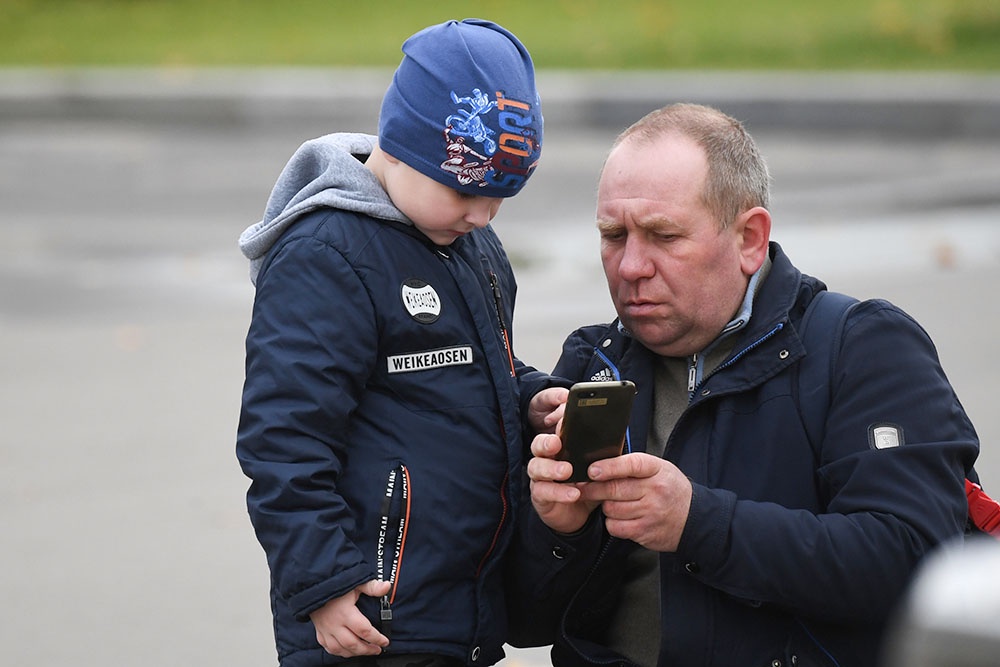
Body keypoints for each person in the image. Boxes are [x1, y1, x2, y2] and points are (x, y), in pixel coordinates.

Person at [506, 103, 980, 667]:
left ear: (750, 238)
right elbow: (523, 622)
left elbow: (919, 568)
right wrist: (560, 534)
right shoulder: (593, 363)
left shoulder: (863, 346)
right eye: (613, 235)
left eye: (663, 235)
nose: (631, 266)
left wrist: (699, 524)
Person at [236, 19, 556, 667]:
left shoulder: (468, 242)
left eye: (500, 199)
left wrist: (533, 396)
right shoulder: (326, 256)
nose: (482, 214)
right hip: (367, 612)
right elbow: (285, 437)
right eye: (465, 191)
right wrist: (324, 583)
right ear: (406, 147)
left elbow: (480, 362)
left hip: (454, 607)